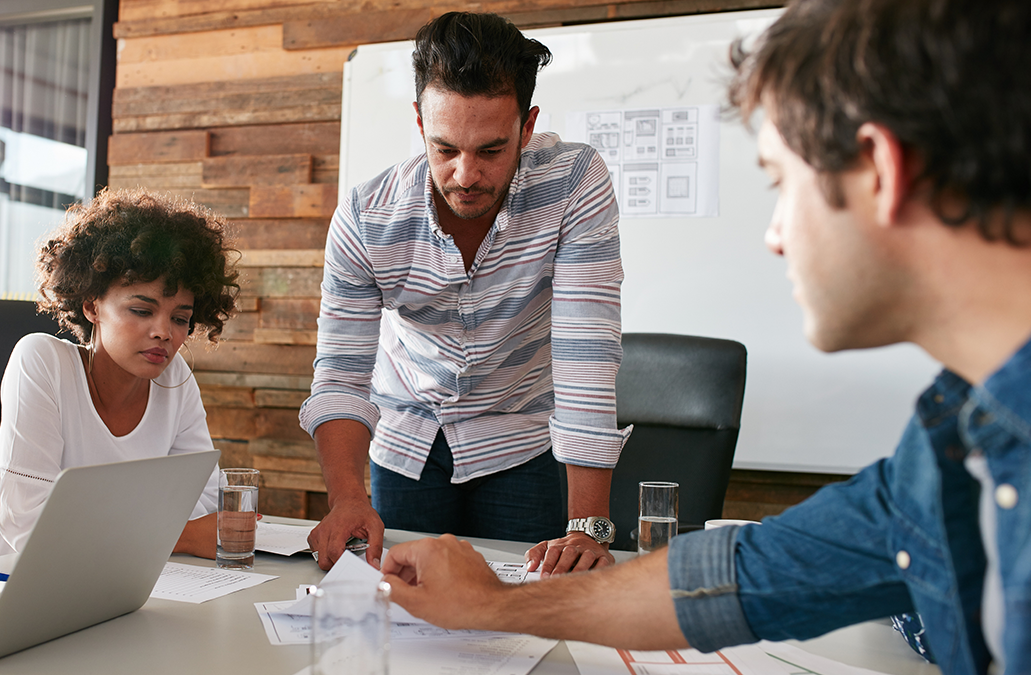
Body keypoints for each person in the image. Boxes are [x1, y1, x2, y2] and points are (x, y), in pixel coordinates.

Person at [379, 1, 1031, 673]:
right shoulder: (951, 446)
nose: (775, 236)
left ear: (880, 171)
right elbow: (748, 575)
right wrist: (494, 605)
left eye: (782, 182)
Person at [300, 11, 630, 573]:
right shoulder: (365, 216)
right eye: (445, 148)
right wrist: (347, 498)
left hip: (520, 438)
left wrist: (586, 527)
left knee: (524, 610)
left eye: (492, 150)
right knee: (406, 615)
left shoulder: (575, 183)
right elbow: (341, 373)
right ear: (419, 121)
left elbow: (586, 356)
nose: (466, 174)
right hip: (408, 441)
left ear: (527, 128)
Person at [0, 188, 238, 561]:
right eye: (142, 311)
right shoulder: (42, 361)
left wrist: (114, 526)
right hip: (8, 587)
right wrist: (182, 537)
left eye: (180, 318)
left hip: (127, 579)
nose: (164, 332)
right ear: (92, 305)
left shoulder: (174, 379)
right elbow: (32, 527)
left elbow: (207, 503)